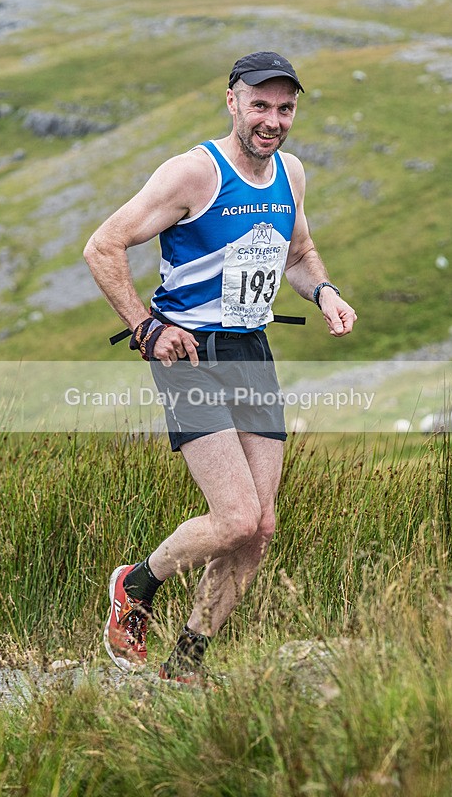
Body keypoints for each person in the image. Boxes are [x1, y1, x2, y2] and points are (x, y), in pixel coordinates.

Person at [83, 51, 357, 683]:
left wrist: (325, 292)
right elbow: (103, 245)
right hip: (190, 356)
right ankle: (137, 583)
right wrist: (146, 327)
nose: (273, 119)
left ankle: (186, 663)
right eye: (260, 105)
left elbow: (299, 252)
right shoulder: (192, 174)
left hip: (250, 350)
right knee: (233, 517)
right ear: (232, 102)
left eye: (285, 108)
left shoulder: (291, 173)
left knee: (259, 530)